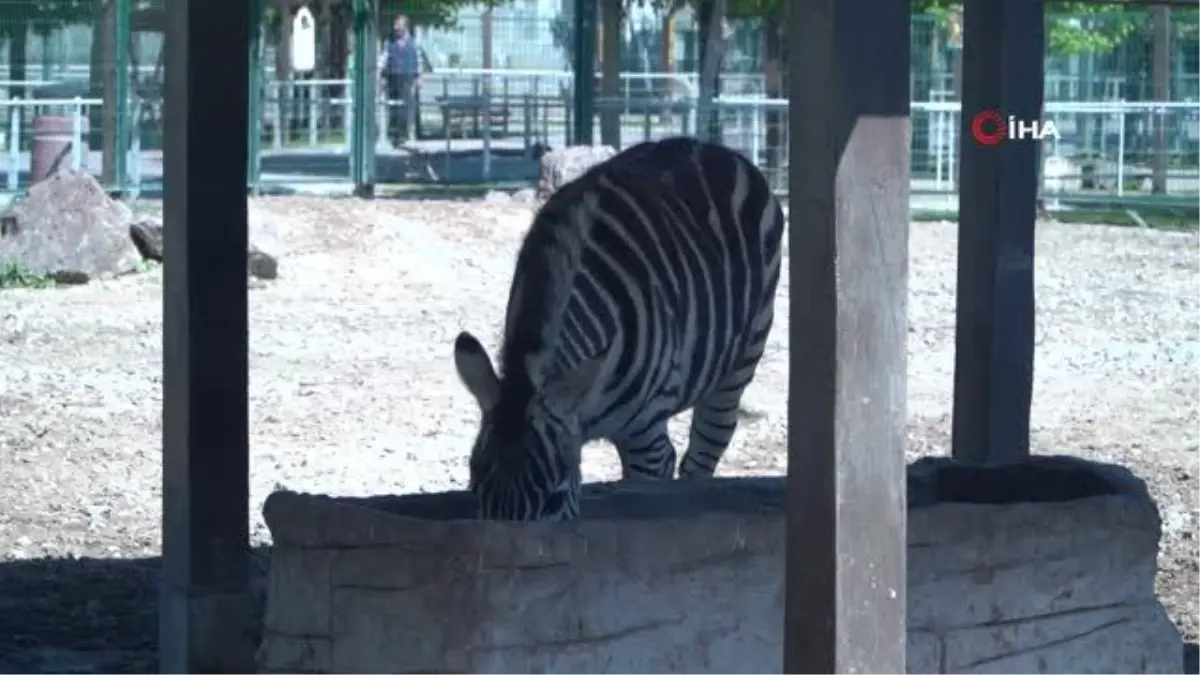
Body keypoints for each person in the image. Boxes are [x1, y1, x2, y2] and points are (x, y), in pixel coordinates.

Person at [377, 14, 422, 145]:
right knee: (392, 106)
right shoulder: (390, 43)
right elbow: (383, 59)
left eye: (399, 26)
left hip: (407, 77)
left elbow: (418, 61)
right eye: (396, 26)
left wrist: (419, 77)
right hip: (393, 76)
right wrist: (379, 74)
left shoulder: (413, 43)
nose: (397, 28)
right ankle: (393, 134)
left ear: (405, 27)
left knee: (405, 106)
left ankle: (404, 134)